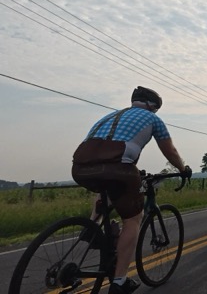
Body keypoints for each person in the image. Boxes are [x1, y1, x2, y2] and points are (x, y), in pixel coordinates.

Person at [71, 86, 192, 294]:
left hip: (80, 167)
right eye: (156, 109)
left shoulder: (110, 116)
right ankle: (119, 282)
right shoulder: (153, 119)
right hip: (119, 167)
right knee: (133, 218)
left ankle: (93, 226)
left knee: (107, 188)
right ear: (152, 106)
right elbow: (170, 150)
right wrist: (183, 170)